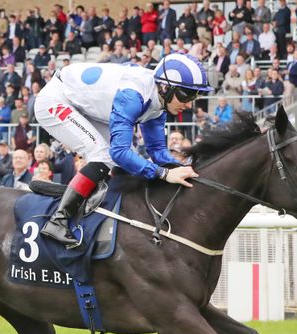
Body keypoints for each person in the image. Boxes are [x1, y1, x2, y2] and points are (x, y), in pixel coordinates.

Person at [34, 54, 209, 246]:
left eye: (195, 96)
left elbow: (157, 150)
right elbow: (119, 152)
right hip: (56, 98)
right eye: (187, 94)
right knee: (104, 154)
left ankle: (105, 205)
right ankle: (58, 221)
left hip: (84, 104)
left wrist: (180, 168)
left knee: (126, 156)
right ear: (166, 87)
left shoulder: (159, 100)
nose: (190, 103)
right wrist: (164, 173)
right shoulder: (133, 96)